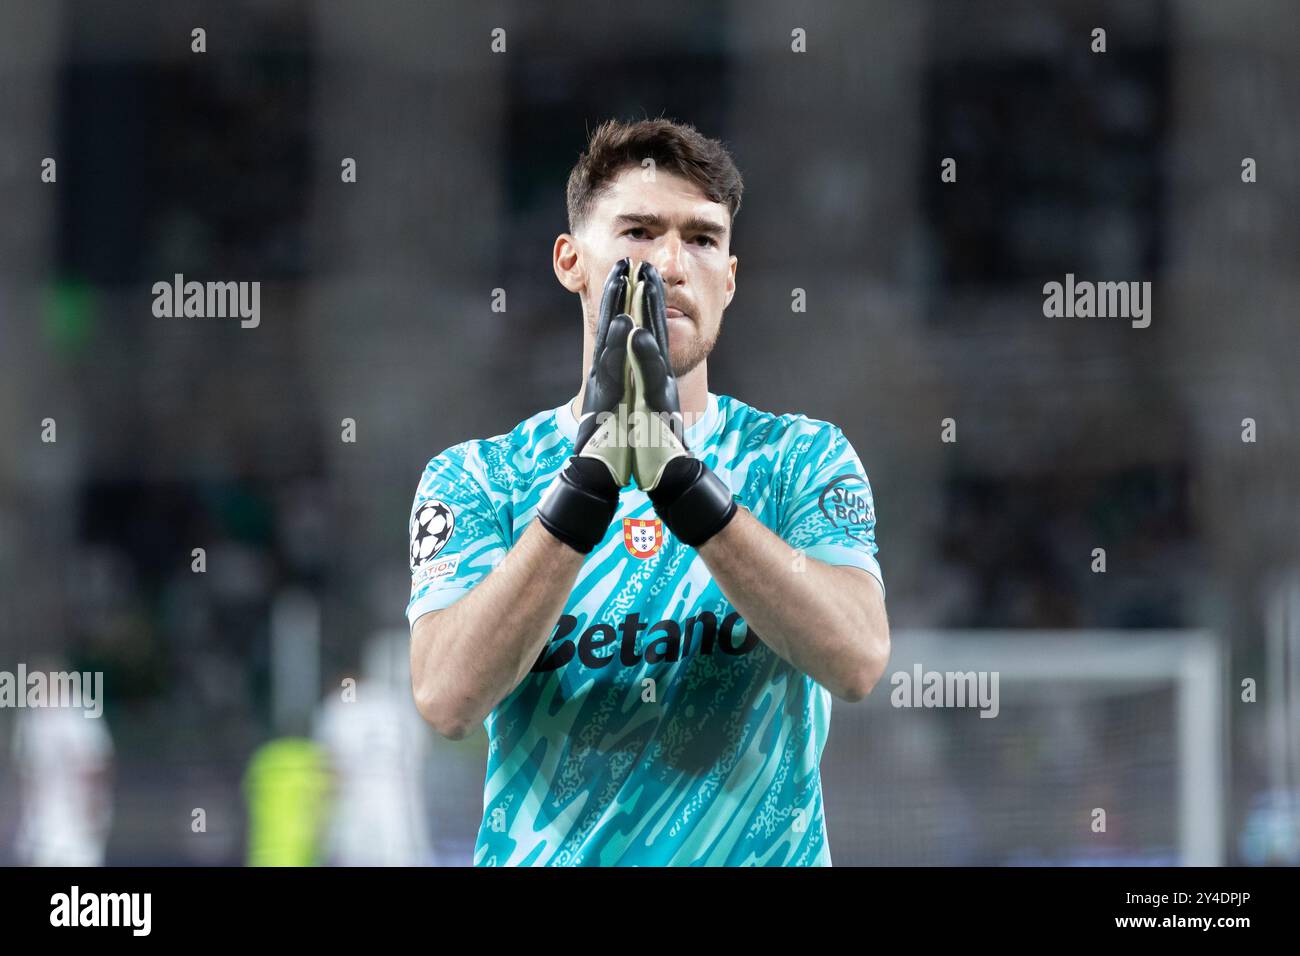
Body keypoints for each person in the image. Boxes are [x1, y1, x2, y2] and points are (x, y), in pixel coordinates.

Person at [407, 118, 890, 866]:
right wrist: (587, 487)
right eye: (638, 231)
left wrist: (683, 485)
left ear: (729, 277)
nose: (670, 262)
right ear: (570, 261)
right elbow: (446, 699)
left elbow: (857, 660)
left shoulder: (801, 459)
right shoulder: (478, 476)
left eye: (702, 239)